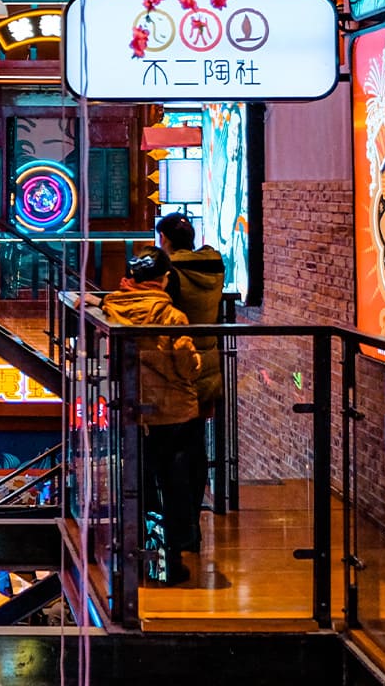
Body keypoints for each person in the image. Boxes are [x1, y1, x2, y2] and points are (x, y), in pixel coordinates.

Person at [97, 248, 202, 585]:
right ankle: (171, 562)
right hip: (172, 414)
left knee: (138, 486)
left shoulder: (112, 309)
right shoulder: (171, 316)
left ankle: (140, 553)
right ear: (165, 279)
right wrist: (197, 363)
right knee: (175, 486)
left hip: (132, 410)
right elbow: (186, 366)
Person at [157, 213, 228, 557]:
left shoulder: (172, 274)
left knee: (171, 453)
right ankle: (192, 526)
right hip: (208, 364)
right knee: (195, 448)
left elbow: (164, 315)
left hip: (180, 367)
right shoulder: (213, 268)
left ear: (166, 240)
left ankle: (179, 531)